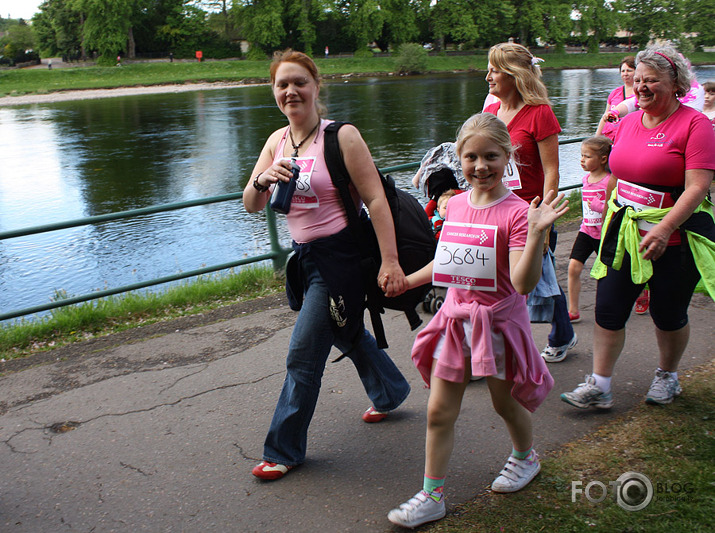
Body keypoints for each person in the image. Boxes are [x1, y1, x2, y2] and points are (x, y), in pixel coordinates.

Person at [386, 113, 567, 529]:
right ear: (460, 159)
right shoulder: (458, 204)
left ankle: (525, 458)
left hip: (497, 324)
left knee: (504, 402)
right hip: (454, 322)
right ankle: (432, 495)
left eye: (490, 156)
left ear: (508, 156)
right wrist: (405, 281)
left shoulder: (519, 213)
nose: (481, 166)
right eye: (471, 157)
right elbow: (447, 262)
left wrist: (537, 235)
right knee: (438, 411)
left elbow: (522, 284)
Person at [242, 49, 411, 480]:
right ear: (274, 93)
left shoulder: (342, 136)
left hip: (343, 258)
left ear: (316, 86)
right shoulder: (276, 142)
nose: (290, 91)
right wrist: (263, 178)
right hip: (306, 259)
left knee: (303, 353)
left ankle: (283, 449)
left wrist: (389, 261)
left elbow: (374, 198)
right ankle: (391, 391)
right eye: (282, 85)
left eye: (299, 82)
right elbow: (249, 203)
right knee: (344, 329)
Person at [561, 45, 715, 410]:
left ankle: (668, 376)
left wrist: (663, 230)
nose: (641, 87)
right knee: (608, 309)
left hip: (674, 238)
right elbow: (616, 175)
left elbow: (697, 186)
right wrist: (602, 218)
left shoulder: (697, 125)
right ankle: (600, 386)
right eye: (639, 80)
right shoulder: (627, 123)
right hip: (624, 234)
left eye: (652, 81)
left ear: (676, 83)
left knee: (668, 314)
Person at [483, 42, 578, 364]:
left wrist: (545, 218)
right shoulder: (491, 113)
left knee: (537, 276)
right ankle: (497, 347)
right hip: (496, 208)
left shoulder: (539, 113)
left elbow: (552, 170)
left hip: (529, 212)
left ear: (514, 75)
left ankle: (556, 335)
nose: (488, 77)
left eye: (494, 71)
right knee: (496, 280)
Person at [567, 136, 613, 323]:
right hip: (586, 230)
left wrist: (598, 206)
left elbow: (614, 206)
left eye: (587, 156)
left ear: (603, 159)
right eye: (581, 156)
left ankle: (613, 305)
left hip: (605, 233)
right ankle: (573, 309)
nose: (582, 160)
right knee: (573, 267)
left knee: (610, 273)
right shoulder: (586, 178)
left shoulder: (610, 180)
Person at [595, 56, 636, 141]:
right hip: (611, 137)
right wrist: (596, 139)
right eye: (623, 71)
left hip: (630, 137)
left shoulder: (641, 93)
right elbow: (605, 116)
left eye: (629, 71)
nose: (625, 74)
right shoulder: (615, 93)